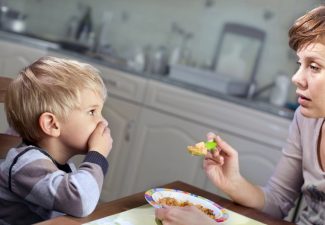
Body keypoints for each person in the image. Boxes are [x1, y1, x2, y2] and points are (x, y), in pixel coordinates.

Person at [156, 5, 325, 225]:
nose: (296, 78)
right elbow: (277, 202)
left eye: (314, 66)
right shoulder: (305, 120)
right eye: (299, 64)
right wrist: (233, 182)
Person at [0, 56, 113, 225]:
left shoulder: (54, 164)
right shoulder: (26, 165)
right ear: (52, 124)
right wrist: (97, 154)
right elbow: (81, 201)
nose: (103, 122)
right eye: (92, 112)